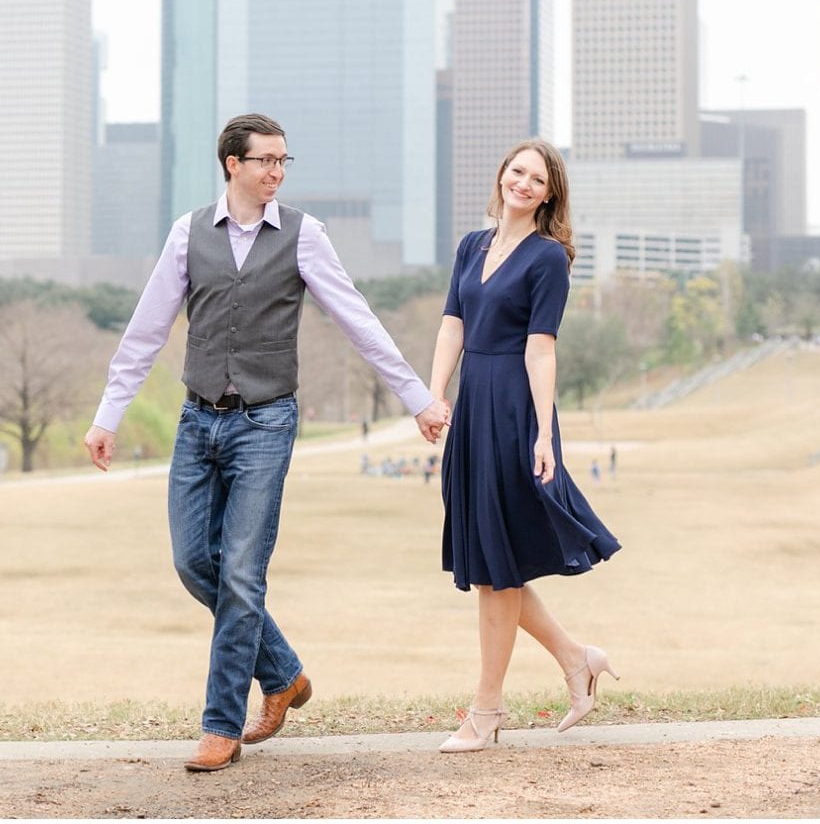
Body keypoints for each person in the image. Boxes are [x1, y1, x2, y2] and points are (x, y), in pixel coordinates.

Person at [85, 113, 450, 773]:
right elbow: (145, 331)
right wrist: (109, 414)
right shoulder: (188, 233)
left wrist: (418, 398)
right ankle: (283, 673)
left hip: (265, 422)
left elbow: (358, 320)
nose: (277, 172)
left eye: (284, 161)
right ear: (232, 163)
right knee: (195, 562)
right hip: (198, 422)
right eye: (265, 161)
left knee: (243, 574)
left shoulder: (305, 236)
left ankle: (219, 727)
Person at [422, 138, 621, 754]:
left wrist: (542, 432)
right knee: (492, 566)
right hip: (473, 403)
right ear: (502, 176)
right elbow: (453, 321)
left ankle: (486, 711)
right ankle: (575, 658)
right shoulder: (471, 245)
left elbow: (541, 348)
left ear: (550, 193)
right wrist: (433, 395)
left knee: (496, 568)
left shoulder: (548, 259)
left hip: (513, 407)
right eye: (517, 172)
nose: (524, 183)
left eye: (538, 178)